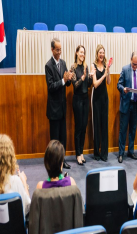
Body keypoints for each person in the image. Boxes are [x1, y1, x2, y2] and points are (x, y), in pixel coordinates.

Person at [45, 37, 73, 169]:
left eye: (61, 49)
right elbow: (50, 86)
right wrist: (63, 80)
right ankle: (54, 164)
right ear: (52, 50)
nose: (59, 52)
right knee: (54, 139)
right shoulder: (48, 66)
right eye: (57, 50)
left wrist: (69, 79)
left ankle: (62, 160)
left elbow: (66, 84)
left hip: (62, 108)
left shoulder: (63, 63)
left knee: (63, 138)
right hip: (53, 109)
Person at [117, 52, 137, 163]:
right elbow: (118, 84)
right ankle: (121, 153)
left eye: (136, 64)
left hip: (136, 104)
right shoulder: (125, 69)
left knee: (133, 130)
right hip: (126, 104)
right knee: (123, 130)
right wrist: (123, 89)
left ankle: (130, 151)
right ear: (131, 60)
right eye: (133, 64)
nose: (135, 66)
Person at [0, 134, 30, 216]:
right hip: (15, 228)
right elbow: (27, 208)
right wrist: (24, 184)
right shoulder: (16, 181)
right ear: (11, 157)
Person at [70, 45, 95, 165]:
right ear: (76, 53)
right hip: (77, 100)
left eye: (84, 53)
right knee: (78, 127)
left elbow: (89, 85)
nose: (82, 54)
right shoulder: (73, 67)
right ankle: (78, 154)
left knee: (84, 126)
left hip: (85, 99)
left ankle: (82, 153)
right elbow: (74, 84)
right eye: (80, 52)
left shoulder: (85, 66)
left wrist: (90, 77)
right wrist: (83, 77)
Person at [91, 44, 111, 161]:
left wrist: (107, 72)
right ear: (97, 54)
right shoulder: (93, 66)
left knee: (104, 125)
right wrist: (104, 75)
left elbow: (108, 82)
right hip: (96, 99)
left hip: (104, 98)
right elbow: (95, 84)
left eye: (103, 53)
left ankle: (104, 153)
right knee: (97, 125)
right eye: (100, 52)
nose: (101, 54)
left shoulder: (105, 66)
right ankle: (96, 153)